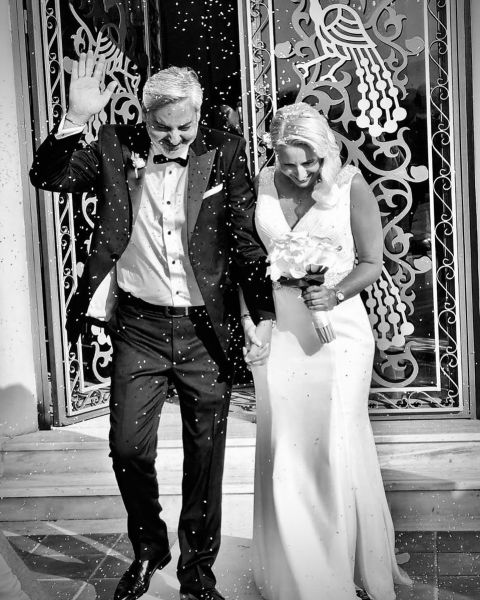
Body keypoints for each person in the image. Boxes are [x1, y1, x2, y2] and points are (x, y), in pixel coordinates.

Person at [30, 50, 274, 600]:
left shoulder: (225, 150)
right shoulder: (114, 146)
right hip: (139, 326)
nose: (176, 138)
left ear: (199, 114)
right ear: (145, 118)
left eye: (185, 126)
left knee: (204, 457)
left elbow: (242, 238)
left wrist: (262, 316)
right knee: (127, 449)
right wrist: (74, 118)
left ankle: (197, 572)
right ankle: (148, 549)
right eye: (163, 128)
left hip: (204, 331)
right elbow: (47, 176)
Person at [243, 103, 412, 600]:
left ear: (326, 152)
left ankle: (339, 567)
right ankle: (297, 570)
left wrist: (334, 293)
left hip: (339, 331)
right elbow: (250, 257)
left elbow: (372, 261)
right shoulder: (262, 181)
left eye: (310, 162)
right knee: (286, 445)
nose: (299, 173)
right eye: (288, 162)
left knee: (332, 441)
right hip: (281, 330)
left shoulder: (350, 185)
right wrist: (254, 321)